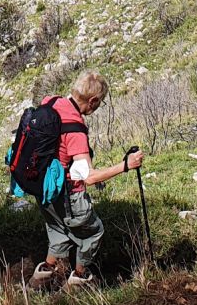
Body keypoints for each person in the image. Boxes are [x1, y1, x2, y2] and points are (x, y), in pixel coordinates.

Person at [30, 72, 143, 289]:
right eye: (99, 103)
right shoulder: (75, 131)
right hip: (67, 193)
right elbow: (88, 177)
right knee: (93, 232)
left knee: (58, 229)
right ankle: (79, 280)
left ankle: (40, 280)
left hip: (43, 188)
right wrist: (126, 165)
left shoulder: (51, 102)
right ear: (92, 101)